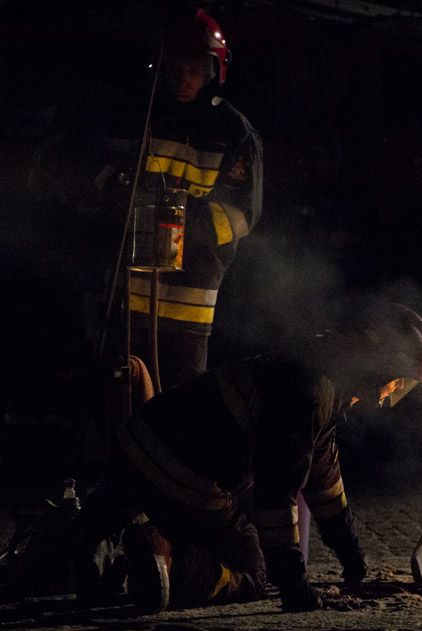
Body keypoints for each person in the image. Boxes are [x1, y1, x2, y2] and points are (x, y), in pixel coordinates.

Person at [73, 303, 422, 613]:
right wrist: (294, 585)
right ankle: (169, 562)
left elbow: (325, 482)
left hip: (137, 445)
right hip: (186, 475)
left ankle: (92, 546)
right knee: (251, 573)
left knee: (127, 501)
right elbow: (275, 500)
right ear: (373, 364)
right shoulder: (309, 395)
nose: (390, 393)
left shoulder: (317, 380)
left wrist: (351, 555)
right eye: (395, 382)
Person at [109, 7, 263, 389]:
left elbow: (243, 213)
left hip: (189, 299)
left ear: (214, 71)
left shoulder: (234, 132)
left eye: (195, 70)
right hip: (131, 295)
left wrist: (179, 223)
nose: (184, 79)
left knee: (180, 403)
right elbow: (107, 175)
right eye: (177, 69)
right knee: (123, 397)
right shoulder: (144, 115)